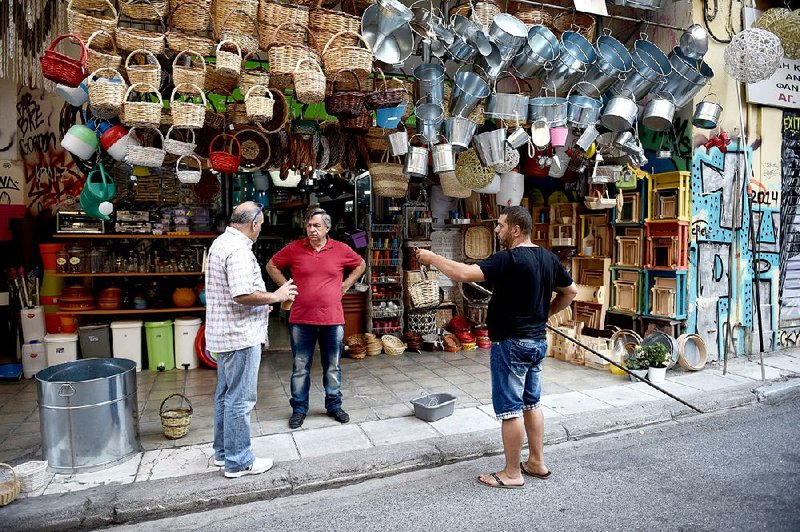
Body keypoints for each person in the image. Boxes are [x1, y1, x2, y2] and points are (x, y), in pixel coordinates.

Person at [415, 206, 577, 489]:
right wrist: (545, 314)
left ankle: (512, 473)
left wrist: (433, 258)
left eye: (501, 225)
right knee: (532, 403)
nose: (497, 230)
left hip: (511, 343)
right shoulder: (548, 258)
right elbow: (570, 292)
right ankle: (536, 462)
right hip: (537, 342)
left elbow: (464, 273)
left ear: (515, 229)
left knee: (511, 409)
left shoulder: (508, 259)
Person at [206, 201, 298, 478]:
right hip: (240, 336)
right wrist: (276, 296)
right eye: (261, 225)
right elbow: (242, 294)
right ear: (254, 223)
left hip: (226, 334)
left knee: (225, 395)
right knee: (240, 399)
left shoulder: (221, 243)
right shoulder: (237, 250)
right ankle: (239, 461)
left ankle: (223, 453)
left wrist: (264, 303)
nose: (260, 229)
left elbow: (237, 293)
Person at [266, 207, 366, 429]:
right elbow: (271, 265)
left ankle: (334, 405)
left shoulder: (340, 249)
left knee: (333, 365)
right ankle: (299, 409)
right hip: (301, 319)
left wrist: (347, 284)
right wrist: (285, 286)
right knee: (300, 366)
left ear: (327, 228)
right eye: (309, 225)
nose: (311, 229)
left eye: (316, 226)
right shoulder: (295, 248)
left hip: (332, 319)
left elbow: (360, 264)